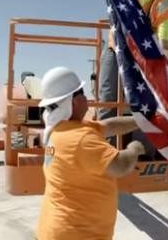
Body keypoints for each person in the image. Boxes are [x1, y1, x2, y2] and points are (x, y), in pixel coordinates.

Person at [36, 66, 145, 240]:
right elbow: (120, 165)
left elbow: (109, 126)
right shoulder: (80, 139)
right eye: (82, 94)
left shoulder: (61, 129)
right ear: (71, 101)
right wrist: (135, 148)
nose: (87, 98)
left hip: (57, 231)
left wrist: (142, 121)